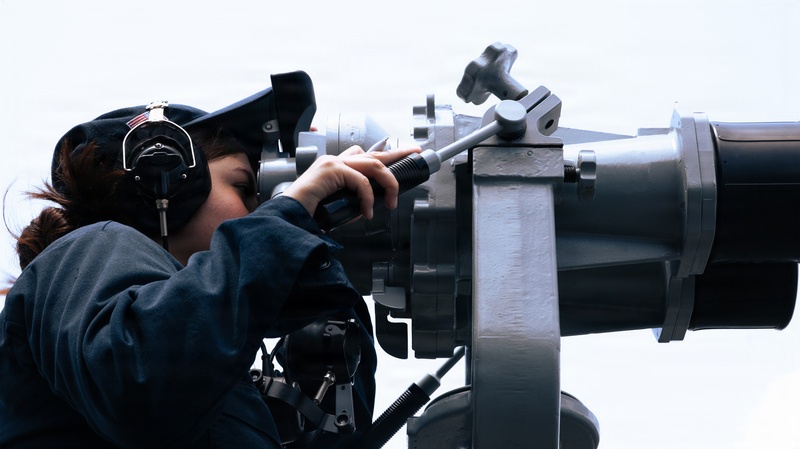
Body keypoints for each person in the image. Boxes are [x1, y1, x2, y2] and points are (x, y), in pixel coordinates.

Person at [0, 91, 418, 448]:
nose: (261, 210)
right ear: (164, 183)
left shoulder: (210, 368)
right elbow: (142, 385)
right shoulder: (87, 252)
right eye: (243, 187)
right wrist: (284, 220)